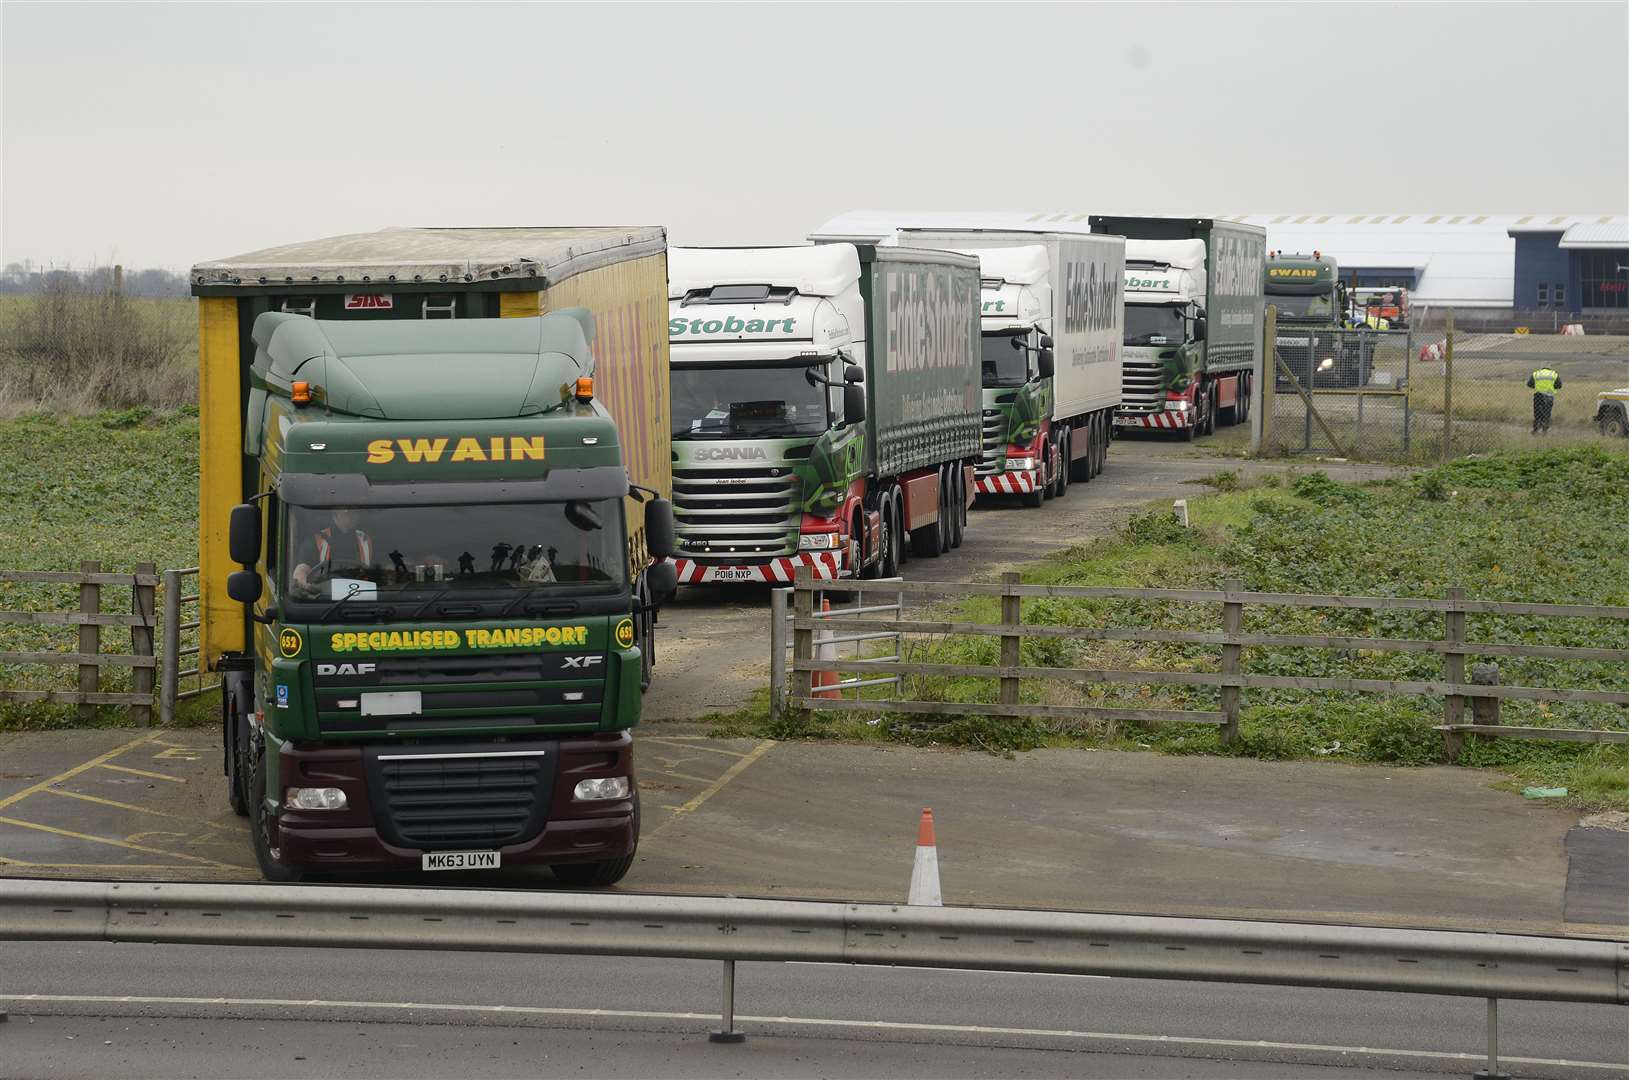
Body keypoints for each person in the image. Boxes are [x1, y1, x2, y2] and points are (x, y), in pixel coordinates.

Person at [291, 508, 374, 598]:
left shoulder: (366, 540)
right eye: (347, 510)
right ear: (334, 514)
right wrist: (302, 581)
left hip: (364, 597)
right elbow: (302, 569)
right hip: (324, 599)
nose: (353, 514)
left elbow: (385, 568)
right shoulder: (315, 541)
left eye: (355, 510)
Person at [1527, 366, 1563, 434]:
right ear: (1549, 369)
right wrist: (1551, 387)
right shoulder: (1554, 374)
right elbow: (1559, 385)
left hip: (1538, 395)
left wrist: (1538, 386)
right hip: (1549, 396)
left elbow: (1529, 384)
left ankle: (1535, 429)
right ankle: (1545, 430)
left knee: (1537, 413)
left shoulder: (1536, 373)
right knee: (1547, 413)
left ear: (1542, 369)